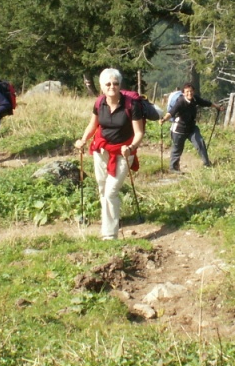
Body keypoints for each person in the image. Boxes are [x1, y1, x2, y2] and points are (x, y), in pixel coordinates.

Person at [75, 68, 146, 240]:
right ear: (101, 86)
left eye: (115, 83)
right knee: (102, 187)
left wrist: (131, 147)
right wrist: (83, 140)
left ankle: (109, 234)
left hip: (123, 153)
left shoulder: (131, 105)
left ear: (120, 85)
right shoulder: (99, 103)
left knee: (110, 192)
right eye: (108, 84)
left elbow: (139, 133)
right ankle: (110, 219)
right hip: (101, 150)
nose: (112, 87)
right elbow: (93, 125)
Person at [159, 83, 222, 172]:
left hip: (192, 128)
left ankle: (207, 164)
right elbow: (171, 112)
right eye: (187, 92)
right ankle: (173, 168)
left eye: (191, 91)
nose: (189, 93)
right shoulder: (180, 102)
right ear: (183, 93)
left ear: (194, 91)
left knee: (200, 143)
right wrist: (164, 119)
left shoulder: (195, 99)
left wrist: (216, 106)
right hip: (179, 130)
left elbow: (205, 102)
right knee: (177, 149)